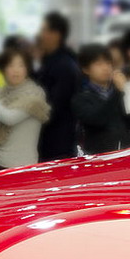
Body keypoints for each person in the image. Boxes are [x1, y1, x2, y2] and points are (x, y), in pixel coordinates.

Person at [0, 48, 50, 169]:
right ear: (4, 69)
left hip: (24, 164)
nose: (16, 70)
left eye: (21, 65)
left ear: (27, 69)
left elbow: (9, 118)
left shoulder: (34, 94)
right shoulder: (1, 92)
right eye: (11, 65)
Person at [35, 11, 80, 161]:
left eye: (44, 30)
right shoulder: (49, 61)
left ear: (56, 35)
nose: (41, 35)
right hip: (48, 141)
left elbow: (55, 107)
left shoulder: (64, 65)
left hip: (58, 145)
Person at [72, 44, 130, 154]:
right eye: (99, 64)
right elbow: (98, 119)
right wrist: (118, 92)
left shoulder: (120, 91)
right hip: (99, 156)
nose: (105, 68)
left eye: (108, 63)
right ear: (86, 69)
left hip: (125, 151)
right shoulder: (81, 98)